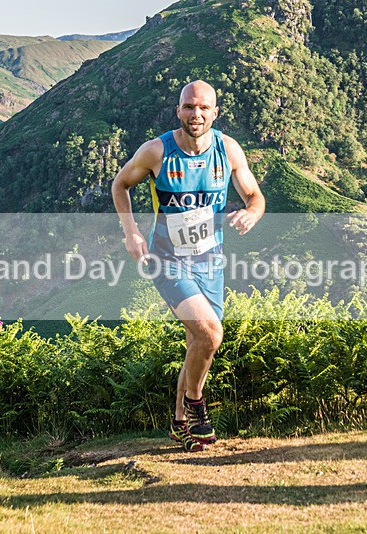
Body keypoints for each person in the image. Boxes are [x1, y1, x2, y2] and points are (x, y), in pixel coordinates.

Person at [111, 80, 265, 452]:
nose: (195, 115)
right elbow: (120, 185)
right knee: (211, 334)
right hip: (166, 261)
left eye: (203, 108)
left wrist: (251, 213)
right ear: (178, 110)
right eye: (188, 107)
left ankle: (179, 424)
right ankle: (196, 405)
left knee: (198, 342)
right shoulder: (155, 152)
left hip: (210, 262)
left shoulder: (228, 150)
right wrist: (131, 233)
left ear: (215, 112)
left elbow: (255, 195)